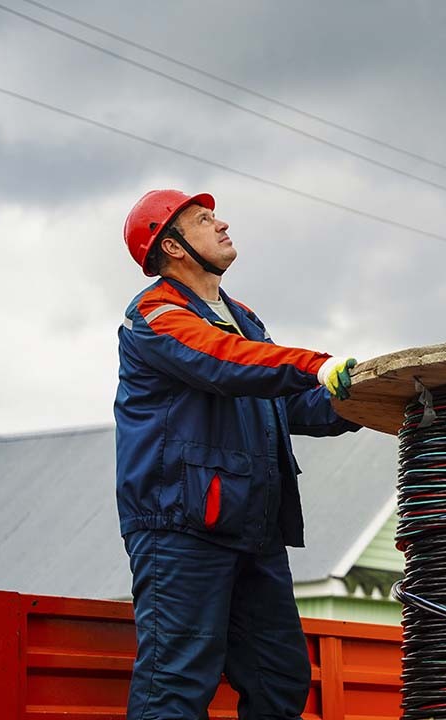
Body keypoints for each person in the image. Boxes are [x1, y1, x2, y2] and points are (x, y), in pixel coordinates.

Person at [114, 189, 361, 719]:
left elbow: (289, 405)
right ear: (173, 247)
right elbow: (225, 362)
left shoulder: (242, 317)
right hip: (181, 528)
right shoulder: (156, 315)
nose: (222, 223)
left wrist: (363, 399)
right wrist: (316, 363)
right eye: (204, 219)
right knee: (175, 687)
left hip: (253, 527)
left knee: (280, 680)